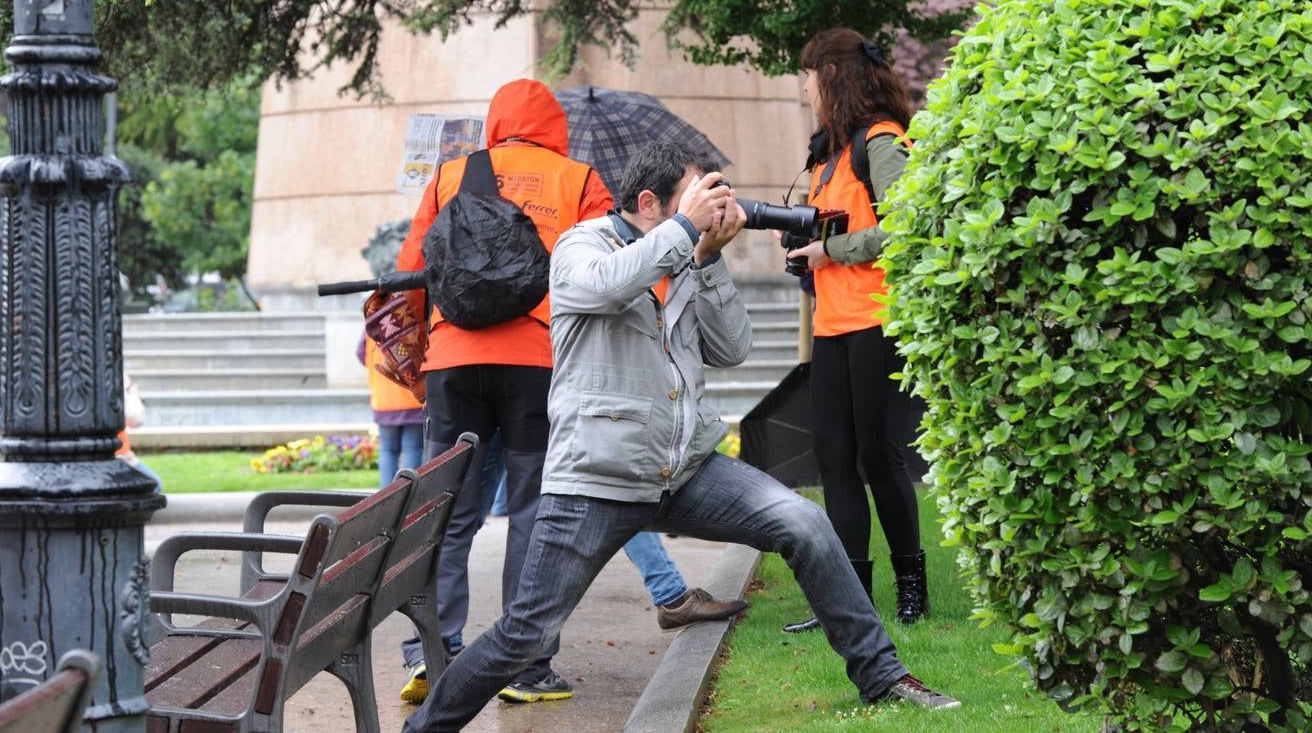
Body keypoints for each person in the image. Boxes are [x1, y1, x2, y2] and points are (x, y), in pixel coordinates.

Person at [400, 140, 958, 732]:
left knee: (804, 523)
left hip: (683, 471)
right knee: (524, 635)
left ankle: (883, 677)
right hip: (596, 478)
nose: (714, 212)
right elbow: (606, 287)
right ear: (650, 201)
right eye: (699, 198)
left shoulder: (687, 254)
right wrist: (686, 231)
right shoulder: (580, 245)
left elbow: (731, 348)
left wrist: (709, 259)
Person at [394, 79, 613, 704]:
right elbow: (611, 272)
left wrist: (417, 357)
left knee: (448, 513)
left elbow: (414, 269)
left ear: (496, 123)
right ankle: (527, 665)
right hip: (535, 364)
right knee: (531, 513)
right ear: (553, 124)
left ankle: (432, 653)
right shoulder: (578, 180)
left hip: (454, 363)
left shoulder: (450, 175)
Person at [781, 28, 930, 633]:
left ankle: (912, 590)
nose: (806, 89)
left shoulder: (882, 142)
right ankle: (851, 598)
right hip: (832, 326)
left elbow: (908, 227)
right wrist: (804, 247)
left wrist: (831, 250)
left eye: (811, 76)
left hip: (876, 321)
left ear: (834, 77)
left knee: (878, 456)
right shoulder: (827, 152)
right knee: (834, 459)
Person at [356, 334, 424, 486]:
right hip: (412, 398)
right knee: (413, 450)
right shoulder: (409, 317)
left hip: (384, 399)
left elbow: (361, 353)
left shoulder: (373, 320)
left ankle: (385, 499)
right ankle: (408, 496)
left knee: (388, 450)